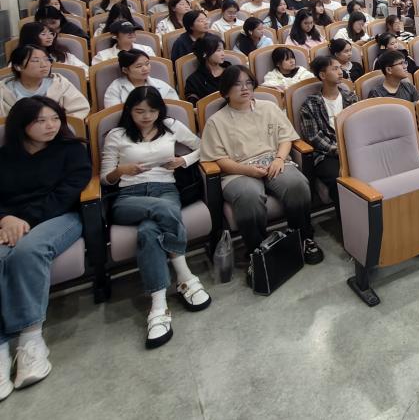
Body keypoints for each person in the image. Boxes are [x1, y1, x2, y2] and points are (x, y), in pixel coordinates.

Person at [99, 87, 211, 348]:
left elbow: (203, 146)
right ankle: (185, 277)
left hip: (165, 189)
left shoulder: (170, 126)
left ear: (160, 110)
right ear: (129, 111)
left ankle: (158, 306)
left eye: (152, 111)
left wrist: (183, 161)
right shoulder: (116, 135)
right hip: (129, 197)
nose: (146, 116)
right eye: (139, 111)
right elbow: (105, 178)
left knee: (149, 232)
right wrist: (121, 170)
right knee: (166, 211)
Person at [0, 96, 92, 394]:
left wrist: (23, 221)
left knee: (28, 252)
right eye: (40, 120)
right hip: (9, 222)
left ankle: (30, 339)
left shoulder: (71, 150)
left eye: (54, 118)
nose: (50, 126)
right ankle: (2, 348)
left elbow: (67, 194)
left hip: (59, 216)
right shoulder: (5, 156)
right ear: (21, 125)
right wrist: (6, 219)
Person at [199, 66, 322, 264]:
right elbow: (218, 159)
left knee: (296, 185)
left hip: (274, 161)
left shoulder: (269, 107)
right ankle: (258, 251)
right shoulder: (216, 121)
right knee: (249, 196)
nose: (244, 88)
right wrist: (246, 170)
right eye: (237, 84)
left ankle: (303, 237)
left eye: (248, 83)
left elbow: (286, 138)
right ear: (226, 90)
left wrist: (279, 159)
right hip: (238, 171)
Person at [298, 57, 358, 207]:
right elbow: (313, 137)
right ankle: (345, 218)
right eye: (335, 69)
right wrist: (338, 150)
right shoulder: (310, 104)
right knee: (339, 178)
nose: (340, 72)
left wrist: (353, 148)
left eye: (340, 68)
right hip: (326, 155)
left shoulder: (351, 98)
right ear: (322, 75)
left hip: (353, 149)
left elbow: (360, 127)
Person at [0, 46, 89, 120]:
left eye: (47, 59)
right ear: (18, 67)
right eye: (35, 60)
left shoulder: (59, 83)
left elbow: (79, 109)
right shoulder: (4, 90)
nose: (44, 65)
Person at [104, 49, 179, 107]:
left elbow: (175, 109)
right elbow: (113, 115)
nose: (145, 69)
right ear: (125, 70)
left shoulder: (161, 85)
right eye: (139, 66)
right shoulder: (115, 88)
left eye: (147, 64)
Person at [18, 22, 89, 73]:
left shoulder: (61, 54)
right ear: (31, 37)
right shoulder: (21, 59)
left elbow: (85, 71)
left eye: (51, 33)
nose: (49, 37)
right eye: (43, 34)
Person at [184, 34, 230, 104]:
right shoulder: (194, 80)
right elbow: (194, 105)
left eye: (223, 50)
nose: (223, 54)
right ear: (204, 53)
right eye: (218, 50)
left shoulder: (231, 71)